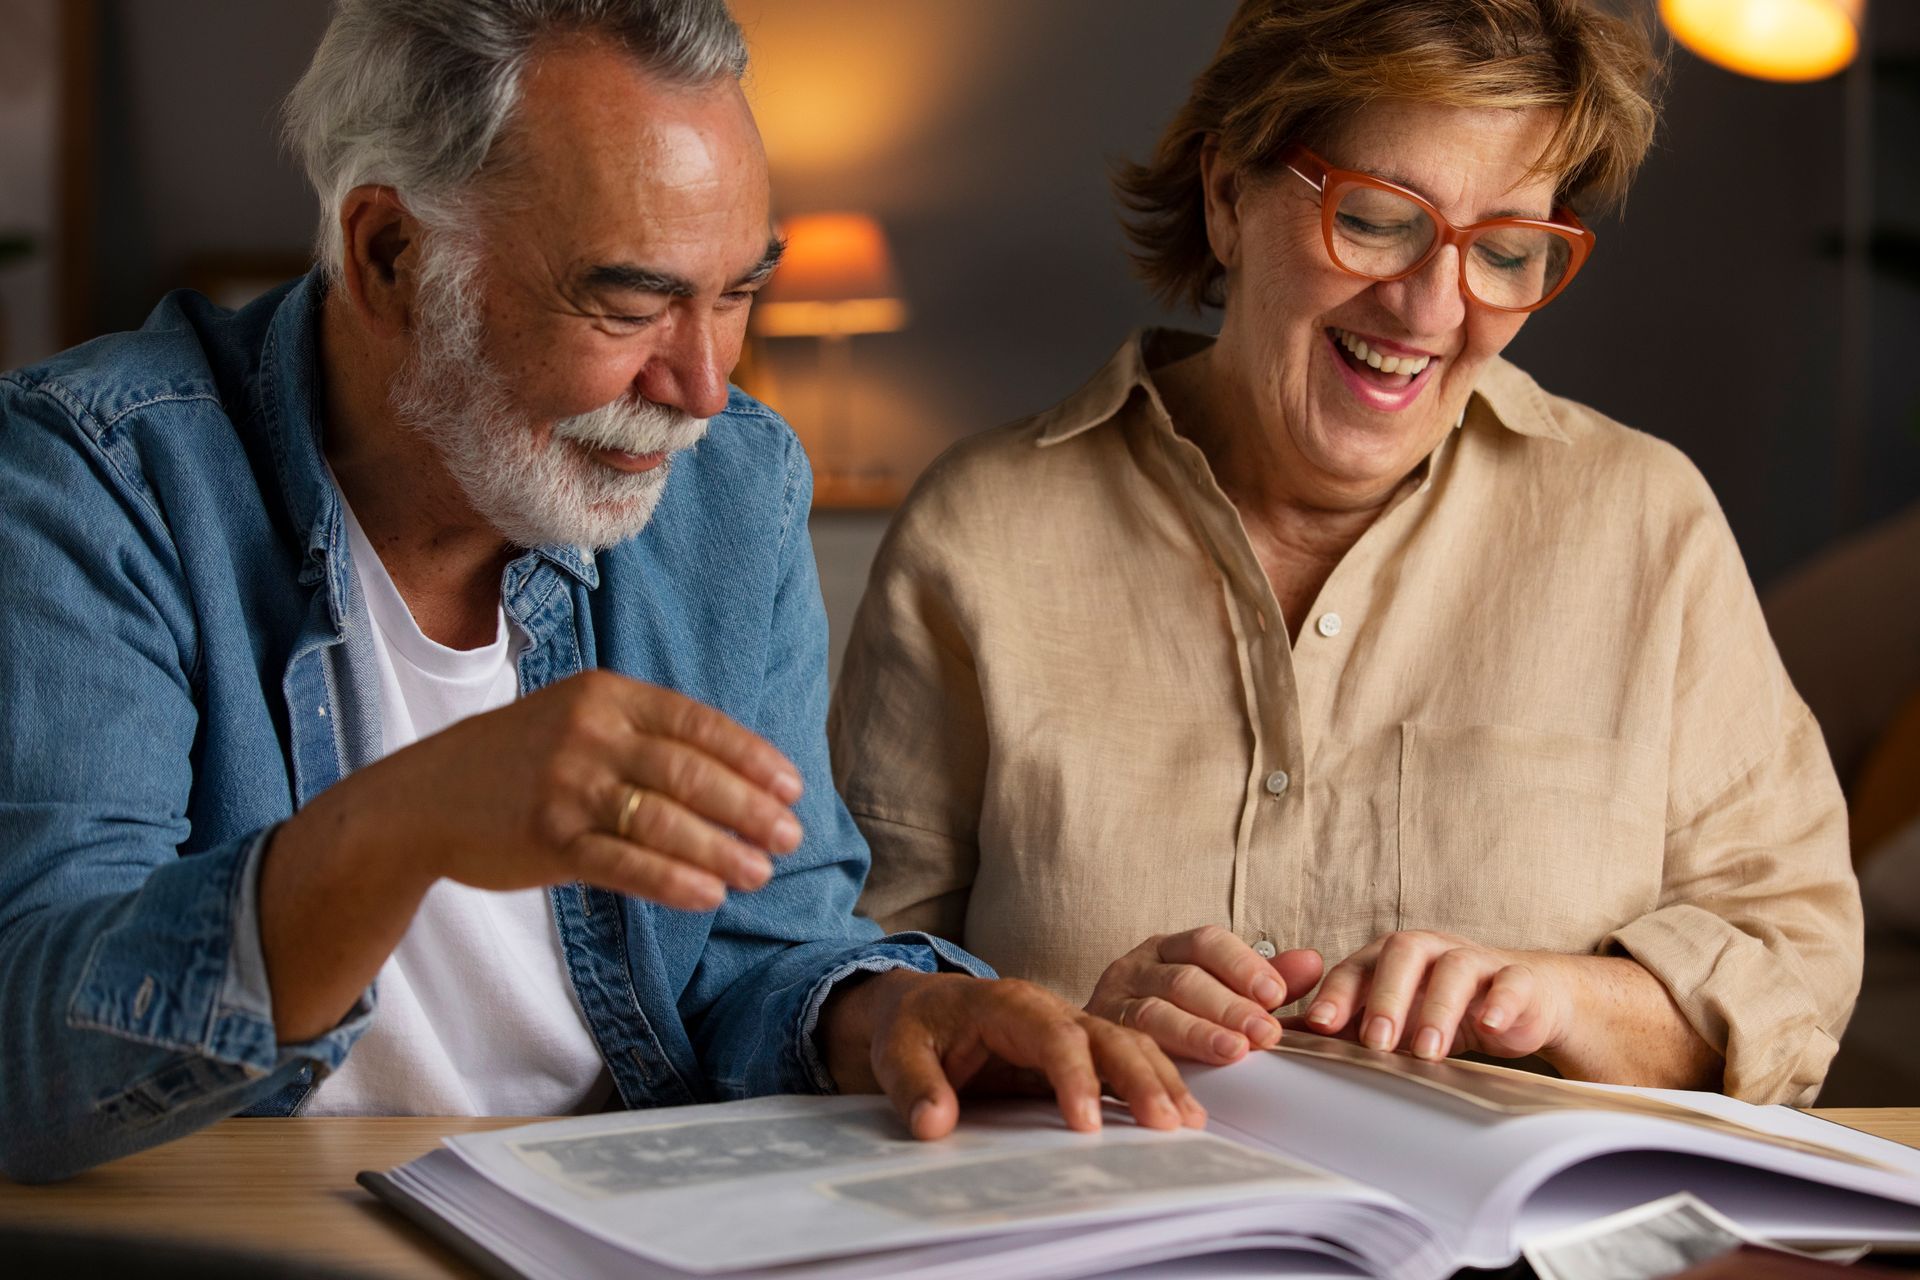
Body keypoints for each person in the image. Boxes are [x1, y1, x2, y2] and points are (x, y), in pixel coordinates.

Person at [0, 0, 1201, 1185]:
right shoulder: (96, 476)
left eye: (736, 293)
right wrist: (406, 824)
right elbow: (34, 1056)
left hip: (623, 1228)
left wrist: (892, 1010)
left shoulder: (732, 485)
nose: (701, 386)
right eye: (629, 304)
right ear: (389, 256)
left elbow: (760, 945)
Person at [830, 0, 1861, 1105]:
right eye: (1375, 219)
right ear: (1228, 195)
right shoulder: (981, 529)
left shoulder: (1646, 524)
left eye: (1507, 249)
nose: (1430, 305)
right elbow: (840, 984)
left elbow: (1794, 963)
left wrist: (1562, 1000)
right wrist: (1064, 1031)